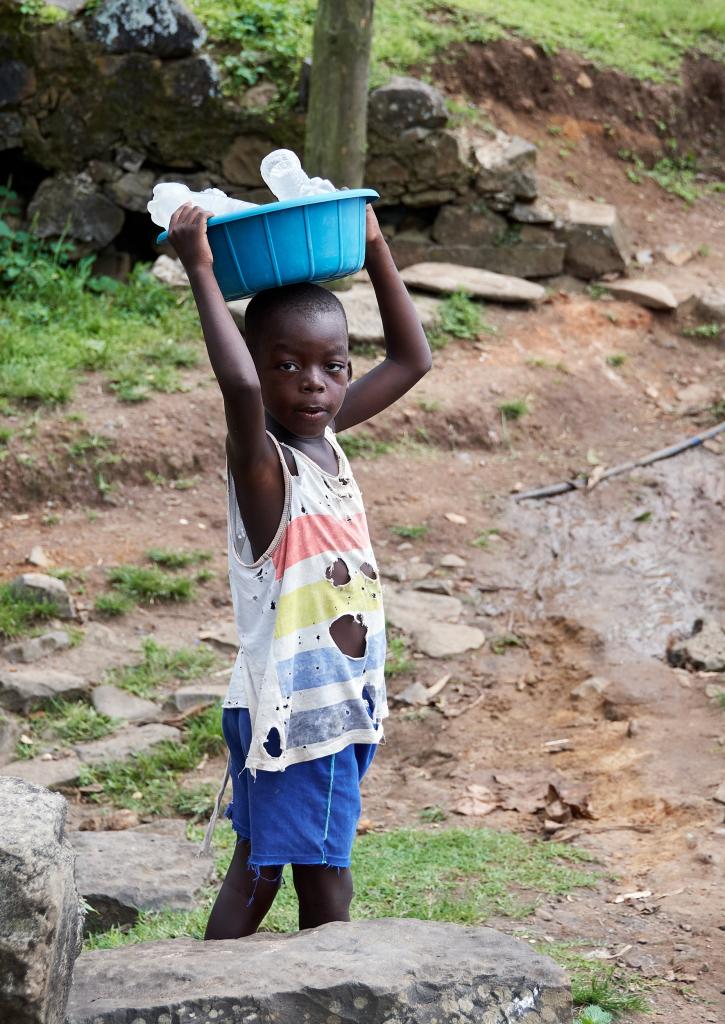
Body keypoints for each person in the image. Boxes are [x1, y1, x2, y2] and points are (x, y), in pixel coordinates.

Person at [167, 199, 431, 939]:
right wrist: (201, 270)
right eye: (286, 364)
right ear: (258, 367)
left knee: (259, 867)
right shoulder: (265, 470)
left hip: (318, 706)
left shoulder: (327, 441)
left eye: (331, 366)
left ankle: (208, 989)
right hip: (299, 715)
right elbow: (242, 394)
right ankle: (321, 987)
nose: (312, 382)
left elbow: (412, 360)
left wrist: (375, 245)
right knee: (325, 879)